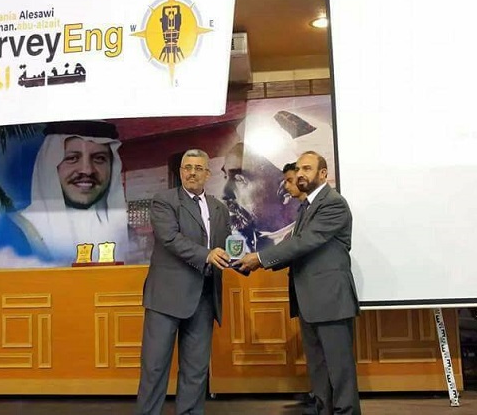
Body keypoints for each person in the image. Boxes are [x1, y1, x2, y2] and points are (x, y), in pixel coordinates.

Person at [233, 151, 361, 415]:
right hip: (309, 301)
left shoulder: (333, 203)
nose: (301, 173)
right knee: (318, 368)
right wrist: (252, 263)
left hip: (331, 300)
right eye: (299, 168)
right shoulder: (306, 207)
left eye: (307, 168)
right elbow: (294, 248)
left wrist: (260, 258)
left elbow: (304, 243)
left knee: (339, 369)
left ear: (323, 174)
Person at [136, 149, 232, 415]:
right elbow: (170, 239)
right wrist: (207, 255)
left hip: (204, 297)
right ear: (180, 172)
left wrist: (241, 260)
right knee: (155, 368)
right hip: (166, 298)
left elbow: (225, 247)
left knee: (196, 370)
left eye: (198, 168)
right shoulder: (164, 201)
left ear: (207, 174)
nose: (192, 173)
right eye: (187, 167)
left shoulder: (219, 208)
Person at [11, 120, 129, 264]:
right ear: (50, 166)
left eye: (99, 158)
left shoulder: (125, 231)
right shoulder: (19, 230)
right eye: (72, 158)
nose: (87, 170)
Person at [223, 142, 300, 252]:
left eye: (239, 180)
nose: (225, 193)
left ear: (284, 191)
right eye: (225, 176)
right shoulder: (235, 240)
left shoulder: (306, 235)